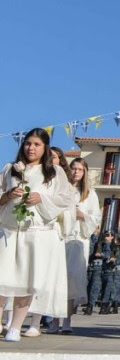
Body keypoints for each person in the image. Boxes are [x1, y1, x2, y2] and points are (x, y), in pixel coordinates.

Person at [0, 128, 79, 342]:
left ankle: (16, 327)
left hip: (35, 233)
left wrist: (40, 199)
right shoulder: (10, 169)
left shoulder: (53, 173)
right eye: (27, 143)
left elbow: (64, 200)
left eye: (36, 144)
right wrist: (8, 195)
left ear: (44, 148)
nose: (31, 148)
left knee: (27, 281)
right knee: (2, 279)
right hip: (9, 231)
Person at [48, 157, 100, 333]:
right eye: (74, 168)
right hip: (61, 236)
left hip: (78, 239)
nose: (76, 172)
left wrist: (81, 215)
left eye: (80, 169)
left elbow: (95, 219)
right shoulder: (62, 189)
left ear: (85, 172)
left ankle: (67, 320)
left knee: (71, 280)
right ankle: (54, 320)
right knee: (57, 280)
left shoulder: (90, 194)